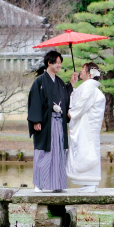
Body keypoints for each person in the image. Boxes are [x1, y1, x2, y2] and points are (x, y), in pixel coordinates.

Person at [27, 50, 79, 193]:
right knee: (43, 152)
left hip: (58, 123)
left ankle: (57, 184)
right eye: (56, 62)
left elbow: (65, 98)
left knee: (58, 153)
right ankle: (38, 184)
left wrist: (71, 84)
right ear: (49, 63)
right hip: (45, 124)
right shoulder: (39, 81)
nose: (59, 65)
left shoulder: (60, 82)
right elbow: (35, 102)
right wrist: (36, 120)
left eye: (60, 63)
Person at [65, 62, 106, 193]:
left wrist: (70, 113)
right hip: (89, 126)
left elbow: (81, 104)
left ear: (89, 74)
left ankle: (91, 183)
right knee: (88, 152)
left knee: (87, 152)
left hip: (88, 127)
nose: (80, 71)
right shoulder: (89, 87)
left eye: (83, 69)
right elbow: (78, 98)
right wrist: (73, 84)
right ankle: (89, 182)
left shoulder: (89, 87)